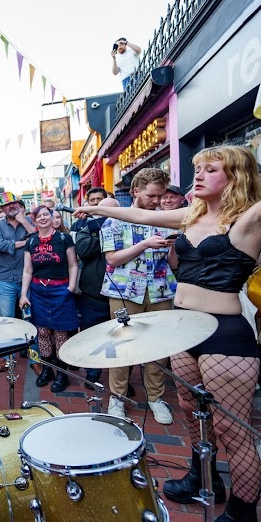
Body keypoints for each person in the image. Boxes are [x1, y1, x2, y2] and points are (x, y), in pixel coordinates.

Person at [75, 67, 261, 522]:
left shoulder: (250, 219)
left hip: (226, 334)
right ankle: (203, 475)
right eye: (200, 167)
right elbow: (141, 214)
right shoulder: (190, 217)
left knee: (233, 428)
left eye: (210, 168)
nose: (199, 174)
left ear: (235, 177)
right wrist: (98, 208)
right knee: (192, 410)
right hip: (182, 330)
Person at [99, 168, 176, 425]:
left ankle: (155, 398)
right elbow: (112, 259)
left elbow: (173, 262)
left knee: (159, 346)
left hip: (161, 289)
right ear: (136, 191)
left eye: (161, 196)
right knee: (121, 346)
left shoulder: (167, 220)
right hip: (124, 291)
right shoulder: (114, 221)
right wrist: (144, 244)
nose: (158, 201)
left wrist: (174, 246)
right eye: (152, 196)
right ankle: (117, 398)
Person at [19, 205, 78, 391]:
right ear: (34, 221)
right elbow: (27, 270)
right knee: (42, 332)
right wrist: (23, 295)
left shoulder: (64, 238)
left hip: (61, 290)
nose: (43, 218)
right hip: (38, 291)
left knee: (61, 333)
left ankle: (62, 373)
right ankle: (47, 369)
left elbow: (73, 265)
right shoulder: (31, 242)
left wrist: (71, 287)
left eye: (47, 215)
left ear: (52, 218)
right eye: (39, 216)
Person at [73, 198, 121, 384]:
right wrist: (105, 228)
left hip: (120, 294)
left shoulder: (126, 228)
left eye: (111, 213)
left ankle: (118, 378)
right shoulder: (88, 229)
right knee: (91, 333)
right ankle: (92, 372)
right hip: (93, 293)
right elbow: (83, 249)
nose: (107, 218)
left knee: (119, 337)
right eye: (102, 213)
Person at [0, 193, 36, 369]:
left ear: (19, 204)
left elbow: (38, 238)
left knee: (31, 320)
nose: (11, 206)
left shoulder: (29, 222)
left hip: (29, 279)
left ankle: (35, 359)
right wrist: (25, 242)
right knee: (7, 321)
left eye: (14, 203)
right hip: (6, 279)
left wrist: (24, 222)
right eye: (7, 205)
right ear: (2, 209)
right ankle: (9, 358)